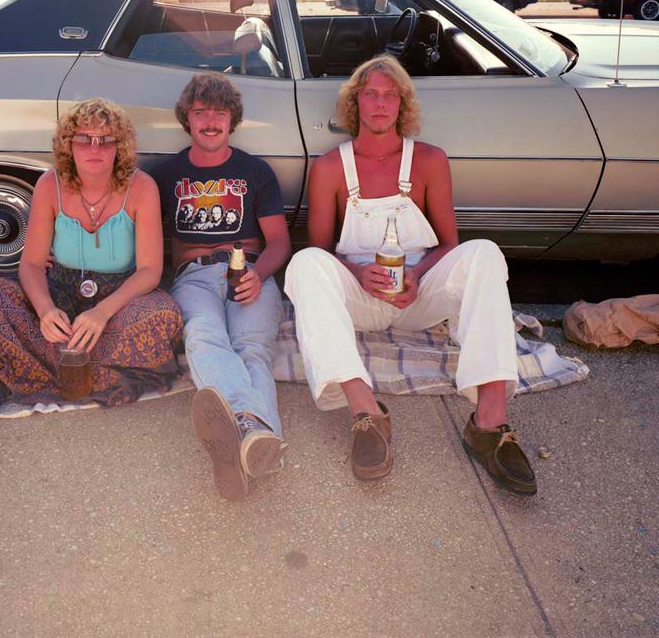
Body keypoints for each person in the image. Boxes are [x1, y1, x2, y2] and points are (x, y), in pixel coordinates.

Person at [284, 55, 537, 495]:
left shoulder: (429, 160)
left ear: (402, 104)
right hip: (361, 298)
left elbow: (449, 243)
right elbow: (320, 250)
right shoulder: (330, 168)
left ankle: (489, 421)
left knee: (485, 254)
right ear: (355, 103)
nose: (380, 104)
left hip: (418, 295)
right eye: (370, 94)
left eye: (390, 95)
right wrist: (358, 273)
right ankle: (366, 412)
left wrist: (419, 274)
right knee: (304, 265)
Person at [0, 99, 183, 416]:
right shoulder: (49, 184)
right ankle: (83, 370)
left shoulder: (141, 187)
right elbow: (30, 264)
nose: (94, 148)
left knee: (162, 313)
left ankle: (39, 368)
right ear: (69, 144)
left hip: (118, 301)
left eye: (105, 139)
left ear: (118, 146)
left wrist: (101, 314)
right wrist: (44, 311)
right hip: (60, 294)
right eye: (84, 138)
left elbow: (150, 271)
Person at [150, 74, 292, 501]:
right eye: (200, 112)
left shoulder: (254, 171)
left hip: (248, 268)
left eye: (219, 112)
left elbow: (280, 241)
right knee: (204, 334)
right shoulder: (165, 175)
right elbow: (129, 226)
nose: (210, 121)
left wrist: (259, 274)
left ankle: (245, 438)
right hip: (194, 275)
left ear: (232, 119)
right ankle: (254, 430)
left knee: (251, 348)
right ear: (186, 119)